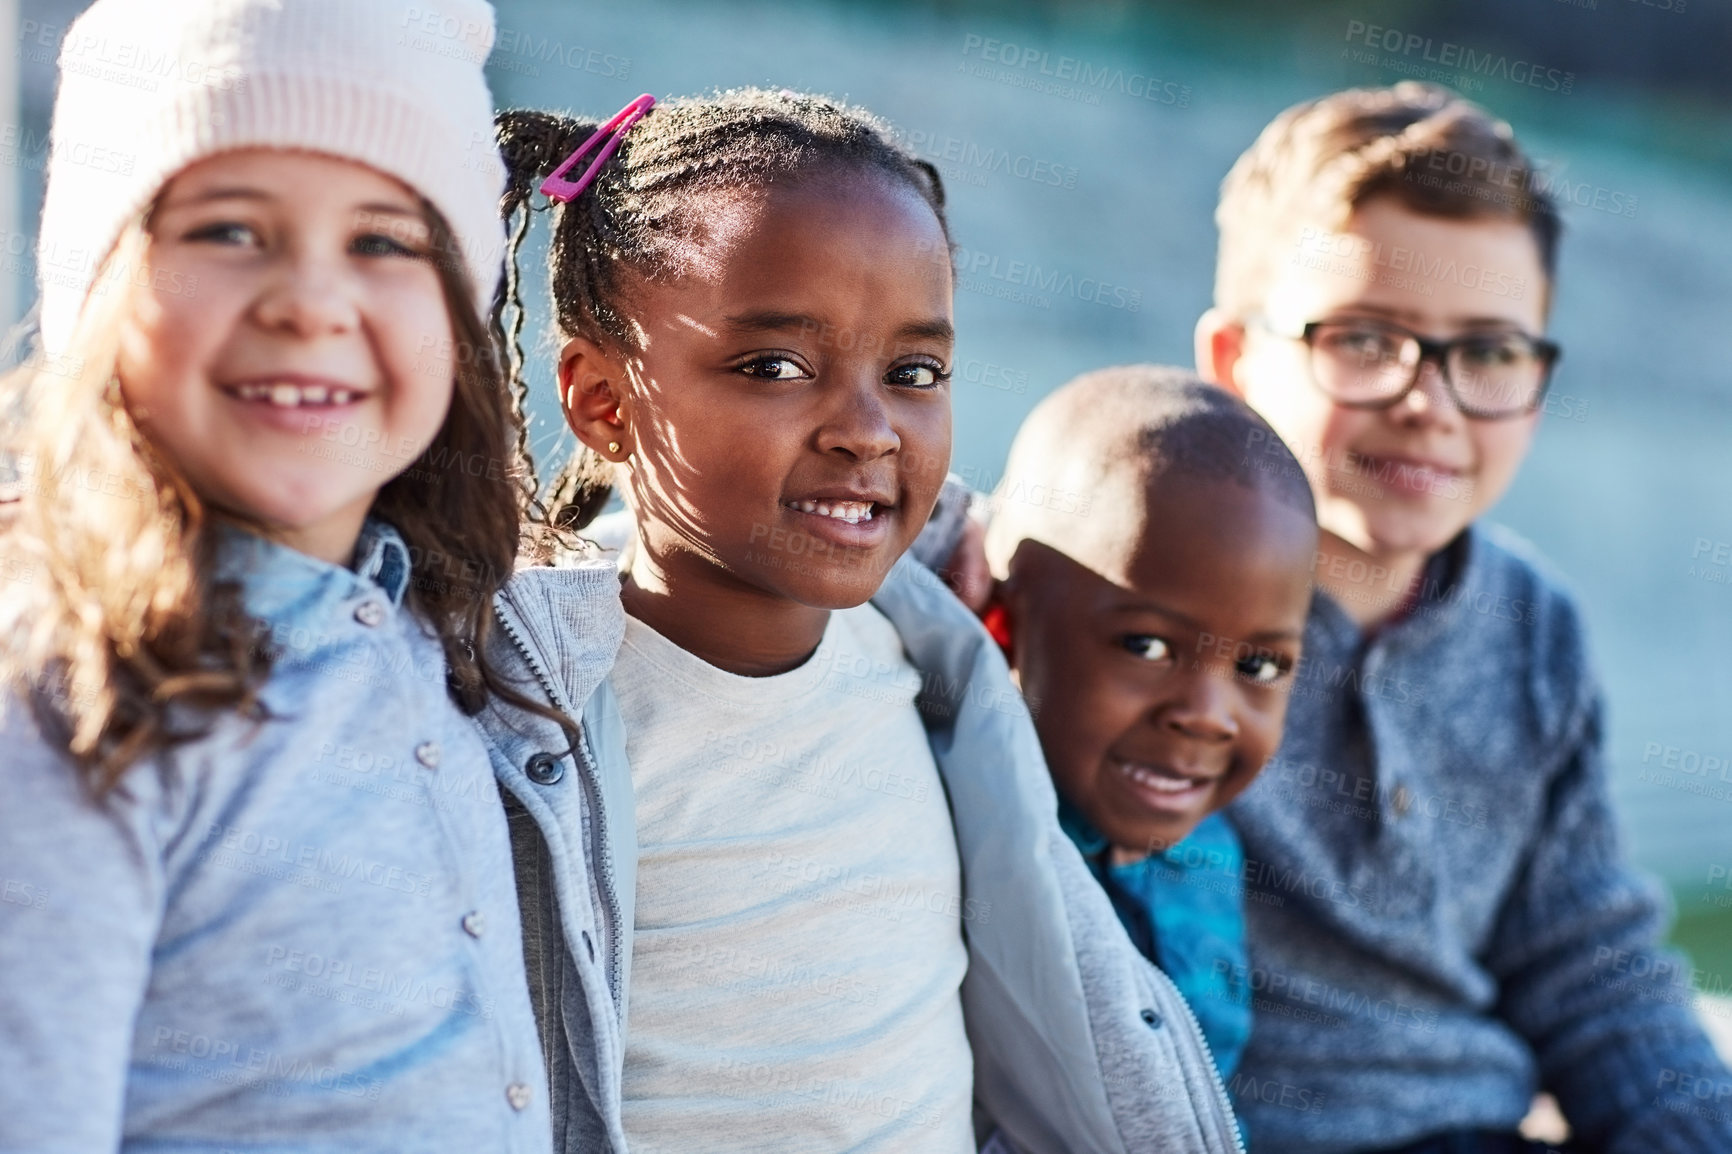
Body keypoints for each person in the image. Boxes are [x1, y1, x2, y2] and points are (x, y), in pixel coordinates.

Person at [474, 89, 1246, 1154]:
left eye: (915, 372)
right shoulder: (526, 726)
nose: (868, 429)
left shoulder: (929, 655)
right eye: (776, 367)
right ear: (604, 401)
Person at [0, 1, 564, 1149]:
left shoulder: (447, 620)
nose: (310, 299)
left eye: (384, 241)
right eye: (229, 231)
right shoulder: (67, 698)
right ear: (98, 296)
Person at [1189, 81, 1732, 1153]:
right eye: (1362, 338)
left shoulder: (1532, 627)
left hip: (1472, 1123)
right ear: (1234, 362)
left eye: (1486, 352)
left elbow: (1583, 959)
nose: (1425, 398)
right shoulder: (1133, 600)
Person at [975, 364, 1317, 1080]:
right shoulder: (972, 836)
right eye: (1148, 647)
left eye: (1259, 667)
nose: (1205, 716)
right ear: (1006, 621)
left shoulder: (1215, 850)